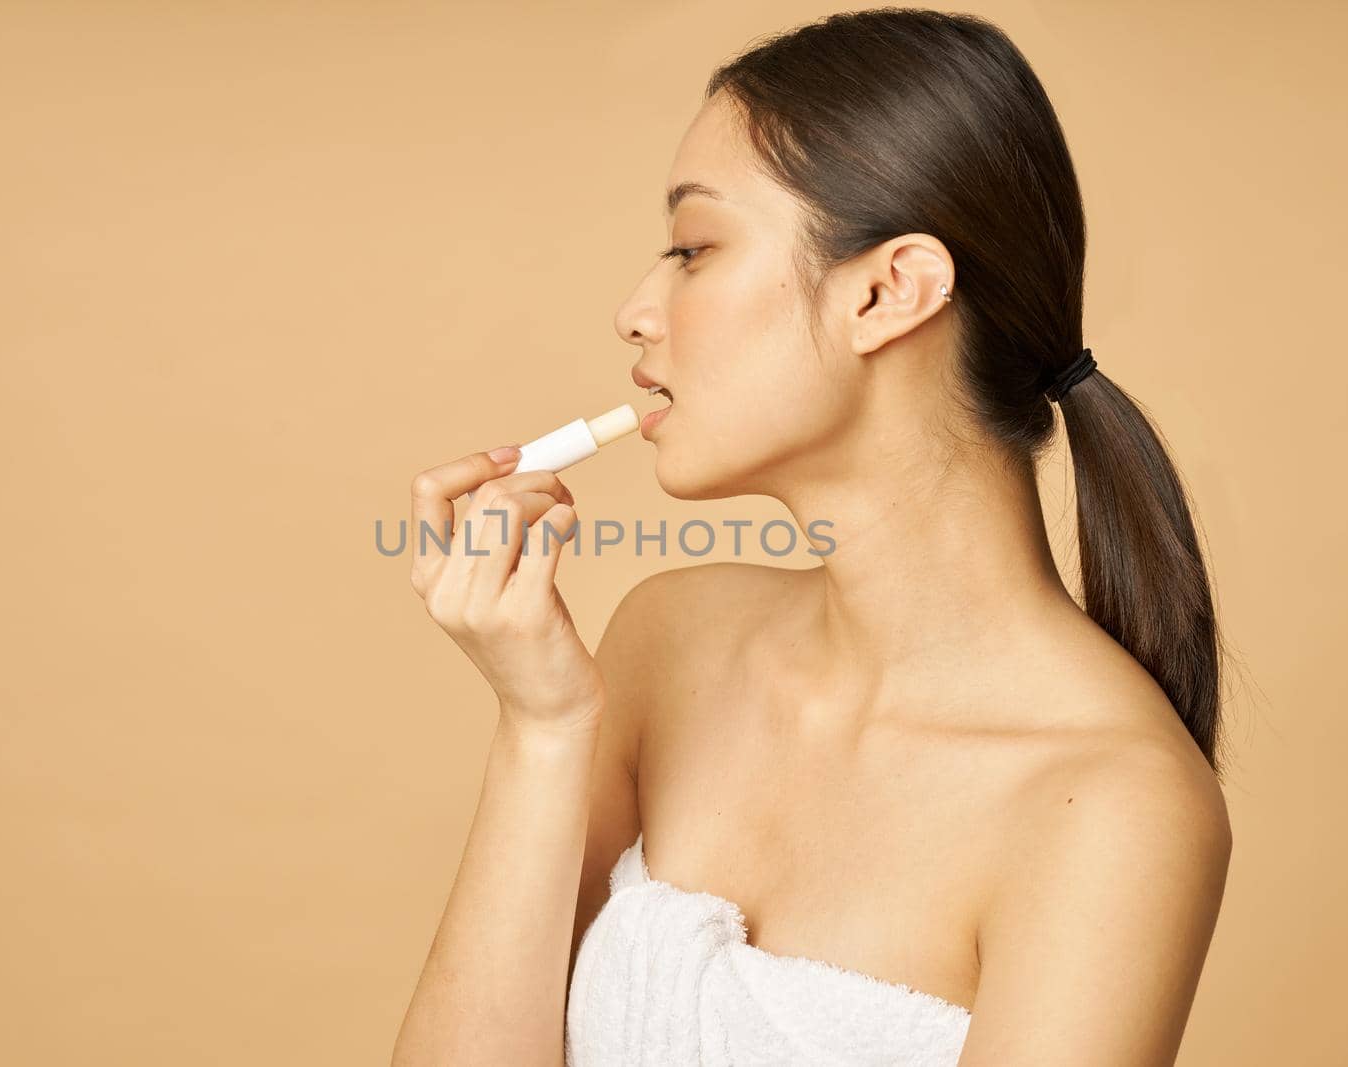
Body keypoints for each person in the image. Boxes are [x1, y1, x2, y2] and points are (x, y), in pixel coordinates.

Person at [393, 9, 1232, 1065]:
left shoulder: (1115, 804)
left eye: (694, 248)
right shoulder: (668, 638)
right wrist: (541, 722)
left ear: (887, 291)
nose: (636, 311)